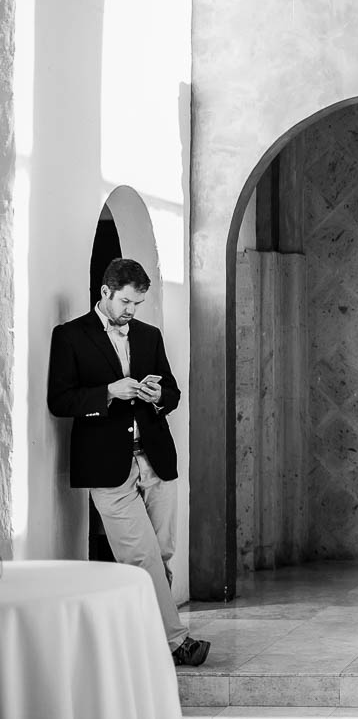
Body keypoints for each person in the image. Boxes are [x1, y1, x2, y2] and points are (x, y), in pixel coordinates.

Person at [46, 258, 210, 666]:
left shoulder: (150, 336)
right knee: (141, 558)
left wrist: (157, 396)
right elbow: (60, 400)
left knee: (163, 553)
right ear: (105, 292)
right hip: (106, 464)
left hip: (156, 458)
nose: (130, 312)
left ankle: (143, 636)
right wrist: (108, 392)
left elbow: (172, 391)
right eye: (125, 302)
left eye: (137, 304)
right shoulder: (69, 337)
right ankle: (175, 642)